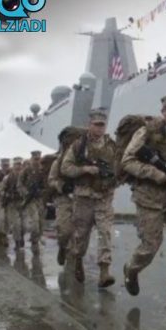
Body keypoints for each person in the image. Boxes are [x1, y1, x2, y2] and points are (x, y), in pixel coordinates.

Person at [121, 94, 166, 312]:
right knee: (150, 246)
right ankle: (132, 268)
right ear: (163, 111)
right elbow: (127, 161)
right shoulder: (147, 131)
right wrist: (156, 174)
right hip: (149, 198)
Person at [60, 110, 118, 287]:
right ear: (89, 125)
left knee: (105, 232)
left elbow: (119, 168)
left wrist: (112, 181)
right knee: (81, 235)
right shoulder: (78, 146)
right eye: (96, 124)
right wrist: (85, 169)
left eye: (102, 125)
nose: (100, 128)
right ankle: (78, 259)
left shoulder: (112, 146)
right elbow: (65, 168)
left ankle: (104, 270)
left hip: (104, 198)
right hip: (83, 198)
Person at [49, 131, 76, 266]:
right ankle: (62, 246)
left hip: (80, 199)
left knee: (78, 234)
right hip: (63, 199)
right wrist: (61, 186)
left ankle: (73, 263)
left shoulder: (82, 161)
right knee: (64, 231)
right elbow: (51, 180)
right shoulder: (58, 162)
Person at [18, 150, 46, 250]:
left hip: (40, 199)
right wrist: (26, 193)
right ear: (32, 159)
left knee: (41, 221)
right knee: (35, 221)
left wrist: (42, 192)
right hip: (30, 199)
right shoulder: (26, 171)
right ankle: (34, 242)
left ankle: (36, 239)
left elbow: (46, 184)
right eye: (35, 159)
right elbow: (19, 184)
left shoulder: (43, 170)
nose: (37, 161)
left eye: (38, 159)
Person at [0, 157, 24, 248]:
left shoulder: (26, 176)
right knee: (16, 224)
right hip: (12, 203)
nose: (18, 166)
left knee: (25, 225)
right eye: (17, 164)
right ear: (13, 166)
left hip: (24, 203)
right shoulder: (7, 178)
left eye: (20, 164)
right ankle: (17, 241)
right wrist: (7, 195)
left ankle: (21, 236)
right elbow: (1, 190)